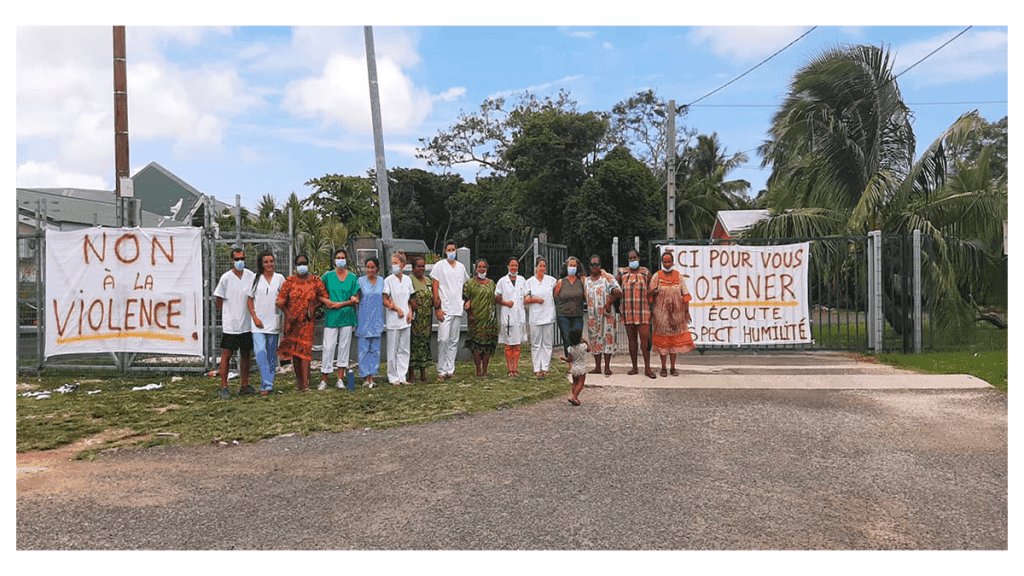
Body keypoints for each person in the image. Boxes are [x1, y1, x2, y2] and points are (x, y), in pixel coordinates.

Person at [275, 253, 326, 392]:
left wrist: (313, 307)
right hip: (292, 322)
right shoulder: (289, 281)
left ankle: (306, 384)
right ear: (295, 266)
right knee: (295, 353)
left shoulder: (315, 280)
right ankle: (299, 383)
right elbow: (280, 301)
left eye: (304, 263)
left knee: (305, 352)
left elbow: (323, 298)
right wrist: (288, 313)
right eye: (299, 263)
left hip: (307, 321)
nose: (302, 266)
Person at [214, 247, 256, 398]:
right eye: (237, 259)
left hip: (246, 323)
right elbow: (218, 298)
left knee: (246, 354)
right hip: (231, 325)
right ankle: (224, 387)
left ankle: (245, 385)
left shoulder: (251, 276)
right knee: (227, 355)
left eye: (242, 259)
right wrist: (226, 313)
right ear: (232, 261)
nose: (240, 262)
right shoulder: (225, 278)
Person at [649, 250, 697, 376]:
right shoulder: (657, 276)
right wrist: (652, 293)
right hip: (661, 315)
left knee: (674, 342)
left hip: (677, 315)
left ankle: (673, 367)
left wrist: (687, 311)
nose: (667, 264)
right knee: (664, 342)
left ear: (673, 262)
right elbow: (649, 295)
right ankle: (663, 367)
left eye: (669, 261)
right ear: (662, 263)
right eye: (665, 262)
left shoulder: (678, 276)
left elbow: (685, 294)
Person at [319, 248, 359, 390]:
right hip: (332, 316)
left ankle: (340, 378)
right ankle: (324, 378)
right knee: (328, 347)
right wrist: (326, 301)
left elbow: (356, 299)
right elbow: (318, 292)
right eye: (338, 257)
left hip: (347, 317)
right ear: (334, 260)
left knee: (344, 347)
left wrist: (343, 304)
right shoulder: (328, 276)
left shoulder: (353, 278)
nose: (340, 260)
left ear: (346, 259)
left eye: (343, 257)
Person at [247, 251, 285, 396]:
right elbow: (249, 300)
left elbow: (284, 300)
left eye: (271, 261)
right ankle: (266, 382)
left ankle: (267, 385)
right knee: (260, 352)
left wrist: (282, 320)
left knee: (271, 355)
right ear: (261, 264)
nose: (269, 264)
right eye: (266, 262)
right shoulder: (255, 279)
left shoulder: (280, 278)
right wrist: (255, 317)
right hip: (258, 324)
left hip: (274, 322)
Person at [430, 240, 469, 381]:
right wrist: (437, 307)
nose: (451, 252)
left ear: (456, 250)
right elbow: (435, 286)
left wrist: (468, 299)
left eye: (453, 249)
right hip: (444, 308)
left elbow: (465, 286)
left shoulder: (461, 267)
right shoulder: (439, 266)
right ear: (445, 251)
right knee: (443, 339)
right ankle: (441, 370)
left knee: (453, 340)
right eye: (449, 250)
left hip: (457, 308)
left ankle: (449, 369)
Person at [617, 249, 656, 379]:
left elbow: (652, 289)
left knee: (645, 340)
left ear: (639, 258)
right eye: (630, 258)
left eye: (635, 258)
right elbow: (615, 289)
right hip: (628, 311)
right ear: (628, 260)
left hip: (643, 311)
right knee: (632, 341)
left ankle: (647, 368)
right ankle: (634, 368)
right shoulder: (622, 273)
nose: (633, 260)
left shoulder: (645, 273)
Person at [584, 254, 622, 375]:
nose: (594, 267)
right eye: (592, 264)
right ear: (589, 266)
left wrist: (609, 303)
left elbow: (618, 292)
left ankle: (607, 367)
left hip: (606, 315)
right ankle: (597, 367)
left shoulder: (607, 278)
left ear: (600, 266)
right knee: (595, 339)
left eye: (597, 264)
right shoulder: (586, 281)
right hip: (592, 317)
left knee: (607, 339)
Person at [463, 258, 498, 377]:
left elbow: (495, 298)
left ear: (487, 269)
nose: (481, 269)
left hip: (489, 319)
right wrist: (469, 314)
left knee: (487, 345)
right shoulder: (470, 283)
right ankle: (478, 370)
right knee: (477, 345)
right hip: (476, 318)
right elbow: (466, 300)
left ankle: (485, 370)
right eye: (479, 267)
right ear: (475, 269)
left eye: (484, 267)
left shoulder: (492, 283)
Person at [383, 252, 414, 386]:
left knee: (404, 349)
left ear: (403, 264)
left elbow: (410, 300)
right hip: (393, 320)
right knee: (393, 349)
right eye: (393, 263)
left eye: (396, 263)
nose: (394, 266)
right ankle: (393, 376)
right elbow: (385, 300)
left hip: (406, 321)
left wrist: (410, 312)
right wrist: (396, 309)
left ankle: (402, 376)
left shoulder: (408, 280)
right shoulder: (388, 280)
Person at [355, 257, 385, 388]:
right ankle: (365, 377)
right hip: (364, 321)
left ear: (377, 268)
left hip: (377, 321)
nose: (370, 270)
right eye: (368, 267)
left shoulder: (382, 281)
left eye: (373, 267)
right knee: (363, 351)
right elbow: (355, 297)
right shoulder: (360, 281)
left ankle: (372, 376)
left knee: (375, 351)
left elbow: (385, 298)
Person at [524, 256, 556, 377]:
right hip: (535, 317)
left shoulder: (551, 280)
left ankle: (545, 368)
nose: (542, 268)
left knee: (547, 343)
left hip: (548, 316)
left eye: (544, 266)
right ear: (536, 267)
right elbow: (526, 299)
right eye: (540, 266)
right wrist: (536, 300)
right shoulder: (529, 282)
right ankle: (537, 368)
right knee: (536, 344)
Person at [494, 257, 527, 377]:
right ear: (508, 266)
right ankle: (509, 369)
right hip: (507, 316)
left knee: (517, 344)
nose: (514, 268)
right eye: (512, 265)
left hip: (519, 316)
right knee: (508, 345)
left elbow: (526, 295)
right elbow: (497, 298)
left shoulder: (522, 280)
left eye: (516, 265)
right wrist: (505, 303)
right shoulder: (502, 281)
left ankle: (515, 369)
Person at [407, 256, 434, 383]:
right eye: (418, 266)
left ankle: (423, 373)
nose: (421, 268)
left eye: (423, 266)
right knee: (414, 345)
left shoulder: (428, 281)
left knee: (424, 344)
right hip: (415, 319)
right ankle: (411, 373)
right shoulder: (410, 280)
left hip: (427, 319)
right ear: (413, 268)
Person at [553, 256, 585, 350]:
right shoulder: (561, 282)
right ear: (566, 267)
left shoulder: (582, 281)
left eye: (574, 266)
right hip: (563, 315)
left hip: (577, 315)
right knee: (567, 340)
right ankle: (570, 362)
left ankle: (577, 360)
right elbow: (555, 297)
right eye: (570, 265)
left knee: (577, 339)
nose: (572, 267)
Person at [559, 323, 589, 406]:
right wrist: (586, 342)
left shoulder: (570, 348)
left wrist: (564, 359)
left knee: (575, 383)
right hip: (581, 368)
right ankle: (574, 397)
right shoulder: (583, 346)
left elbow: (569, 360)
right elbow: (589, 350)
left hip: (574, 368)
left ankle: (573, 396)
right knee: (581, 384)